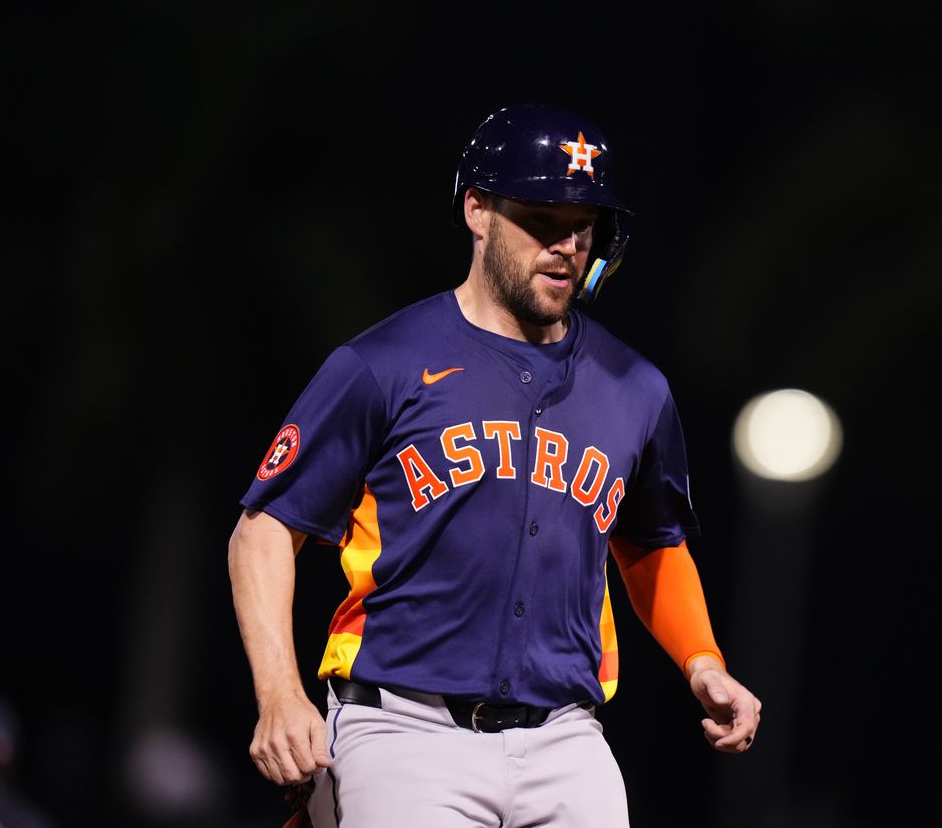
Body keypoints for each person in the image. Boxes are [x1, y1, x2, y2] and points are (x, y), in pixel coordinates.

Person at [227, 102, 761, 828]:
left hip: (567, 740)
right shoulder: (380, 364)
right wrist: (280, 693)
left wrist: (702, 658)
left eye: (584, 224)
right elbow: (261, 533)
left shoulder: (636, 387)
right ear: (477, 209)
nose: (567, 244)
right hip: (404, 728)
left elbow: (650, 543)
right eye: (542, 218)